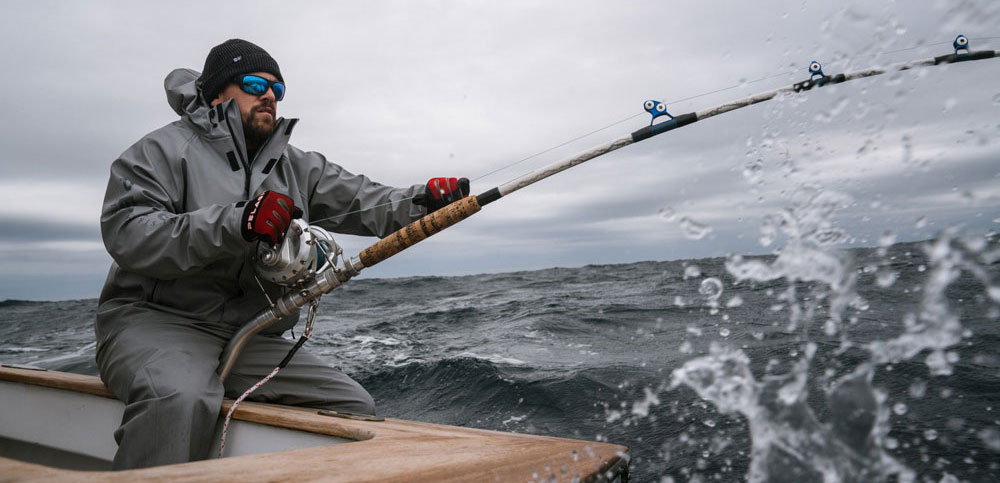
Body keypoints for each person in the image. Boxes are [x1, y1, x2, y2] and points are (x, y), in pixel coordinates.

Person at [95, 39, 469, 470]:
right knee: (180, 397)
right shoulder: (159, 151)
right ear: (217, 93)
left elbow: (368, 201)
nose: (269, 95)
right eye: (254, 83)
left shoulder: (297, 166)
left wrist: (424, 202)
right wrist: (237, 222)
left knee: (351, 406)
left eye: (278, 88)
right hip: (156, 322)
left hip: (250, 334)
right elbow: (129, 233)